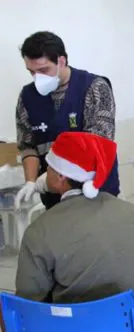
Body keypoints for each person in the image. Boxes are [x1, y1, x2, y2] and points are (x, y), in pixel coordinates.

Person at [2, 132, 134, 332]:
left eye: (49, 167)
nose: (45, 172)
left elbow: (28, 301)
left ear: (61, 176)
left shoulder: (41, 230)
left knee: (9, 307)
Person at [15, 31, 120, 211]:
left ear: (61, 61)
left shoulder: (94, 88)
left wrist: (50, 177)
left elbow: (98, 143)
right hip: (55, 194)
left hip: (95, 192)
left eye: (43, 70)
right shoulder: (27, 97)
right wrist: (32, 181)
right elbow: (28, 145)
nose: (37, 77)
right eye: (31, 72)